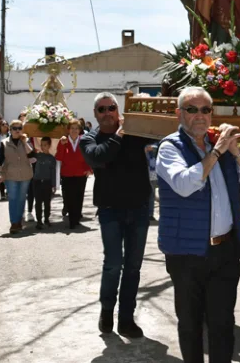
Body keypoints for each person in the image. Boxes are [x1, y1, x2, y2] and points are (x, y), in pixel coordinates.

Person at [157, 86, 240, 363]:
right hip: (186, 252)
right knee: (190, 325)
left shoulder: (223, 146)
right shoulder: (170, 147)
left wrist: (236, 149)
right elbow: (184, 184)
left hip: (224, 250)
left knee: (222, 324)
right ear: (179, 113)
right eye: (192, 109)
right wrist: (216, 151)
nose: (200, 116)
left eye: (206, 110)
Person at [80, 93, 152, 338]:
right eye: (102, 109)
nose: (107, 112)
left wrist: (145, 108)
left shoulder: (135, 132)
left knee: (133, 267)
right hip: (110, 210)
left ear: (118, 109)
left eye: (112, 107)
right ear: (96, 114)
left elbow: (161, 131)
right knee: (113, 264)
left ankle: (126, 318)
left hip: (139, 209)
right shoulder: (89, 138)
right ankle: (107, 310)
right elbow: (99, 157)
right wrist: (120, 134)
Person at [0, 120, 37, 234]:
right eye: (14, 128)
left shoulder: (26, 141)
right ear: (10, 130)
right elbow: (0, 160)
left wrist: (24, 142)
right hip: (10, 174)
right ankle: (14, 222)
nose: (17, 130)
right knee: (13, 199)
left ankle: (19, 220)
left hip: (25, 174)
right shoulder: (4, 143)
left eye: (19, 128)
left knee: (21, 198)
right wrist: (0, 174)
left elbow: (32, 155)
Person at [57, 119, 92, 229]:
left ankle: (76, 218)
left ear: (80, 130)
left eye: (76, 128)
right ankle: (72, 219)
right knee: (69, 197)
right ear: (68, 130)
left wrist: (89, 169)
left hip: (81, 173)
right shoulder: (63, 141)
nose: (74, 130)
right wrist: (62, 145)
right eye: (72, 128)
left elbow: (88, 156)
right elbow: (59, 157)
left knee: (79, 196)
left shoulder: (84, 140)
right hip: (67, 174)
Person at [33, 137, 57, 230]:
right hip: (37, 181)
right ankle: (39, 221)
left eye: (45, 145)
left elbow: (53, 172)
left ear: (49, 145)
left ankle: (46, 219)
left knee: (47, 202)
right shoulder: (37, 156)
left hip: (47, 182)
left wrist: (54, 184)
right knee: (38, 202)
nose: (43, 147)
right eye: (42, 145)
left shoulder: (52, 158)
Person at [145, 143, 158, 222]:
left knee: (151, 195)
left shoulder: (152, 153)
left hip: (152, 174)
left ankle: (150, 214)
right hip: (144, 174)